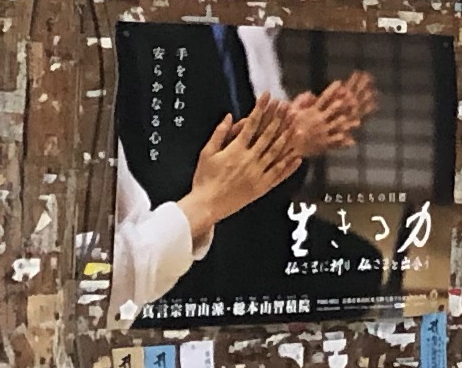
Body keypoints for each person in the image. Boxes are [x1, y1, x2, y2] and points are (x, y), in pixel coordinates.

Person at [114, 44, 378, 316]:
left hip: (249, 215)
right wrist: (285, 140)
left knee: (360, 266)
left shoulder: (244, 36)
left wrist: (294, 128)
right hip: (200, 238)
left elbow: (259, 140)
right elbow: (175, 169)